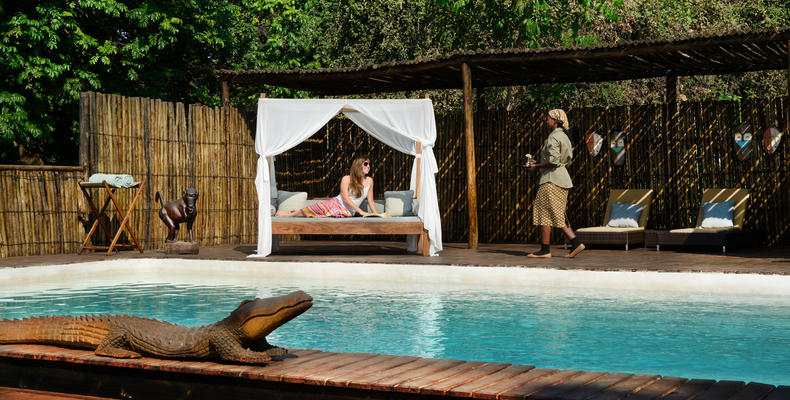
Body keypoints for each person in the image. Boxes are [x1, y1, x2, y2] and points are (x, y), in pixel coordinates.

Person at [525, 109, 585, 258]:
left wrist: (535, 166)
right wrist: (538, 164)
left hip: (552, 180)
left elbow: (553, 161)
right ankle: (546, 249)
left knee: (549, 213)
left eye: (548, 119)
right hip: (561, 179)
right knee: (551, 212)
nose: (546, 121)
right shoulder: (564, 136)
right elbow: (559, 159)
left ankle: (574, 243)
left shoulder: (553, 138)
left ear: (555, 121)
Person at [275, 156, 379, 217]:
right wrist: (361, 212)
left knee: (320, 214)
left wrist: (377, 215)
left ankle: (299, 212)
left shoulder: (370, 181)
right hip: (336, 204)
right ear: (358, 165)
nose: (368, 166)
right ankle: (290, 214)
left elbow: (371, 201)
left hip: (347, 212)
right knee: (319, 208)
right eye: (366, 164)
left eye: (369, 164)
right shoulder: (347, 179)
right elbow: (346, 199)